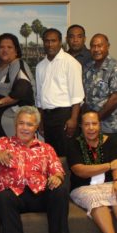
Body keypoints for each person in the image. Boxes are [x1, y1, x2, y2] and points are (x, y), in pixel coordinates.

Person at [0, 106, 69, 233]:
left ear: (36, 128)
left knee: (60, 190)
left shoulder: (46, 148)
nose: (25, 128)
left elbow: (58, 170)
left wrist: (56, 177)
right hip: (14, 196)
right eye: (21, 123)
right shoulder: (3, 143)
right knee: (3, 197)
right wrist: (1, 155)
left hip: (39, 195)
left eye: (29, 124)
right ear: (15, 125)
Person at [0, 33, 35, 160]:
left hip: (12, 122)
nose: (5, 50)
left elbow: (22, 90)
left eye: (9, 47)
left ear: (16, 50)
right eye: (1, 47)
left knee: (15, 158)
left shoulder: (18, 65)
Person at [35, 28, 84, 156]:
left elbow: (77, 95)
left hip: (65, 116)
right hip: (47, 117)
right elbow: (39, 97)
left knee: (68, 156)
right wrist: (41, 120)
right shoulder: (40, 66)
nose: (50, 44)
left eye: (53, 41)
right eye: (47, 41)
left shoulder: (71, 63)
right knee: (51, 156)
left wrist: (73, 119)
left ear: (60, 42)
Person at [82, 34, 117, 142]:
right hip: (91, 129)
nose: (96, 49)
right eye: (93, 46)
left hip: (111, 128)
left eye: (100, 46)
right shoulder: (87, 67)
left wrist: (96, 118)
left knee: (113, 159)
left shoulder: (116, 68)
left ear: (108, 46)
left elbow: (116, 98)